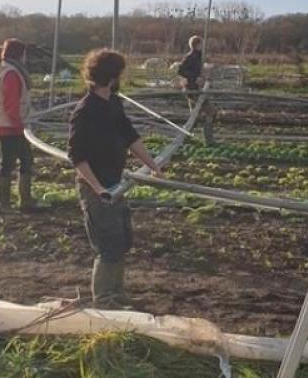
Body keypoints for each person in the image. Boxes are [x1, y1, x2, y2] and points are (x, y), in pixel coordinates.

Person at [67, 49, 163, 309]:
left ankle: (117, 295)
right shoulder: (85, 112)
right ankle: (104, 301)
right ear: (111, 77)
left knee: (121, 240)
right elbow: (77, 157)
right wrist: (98, 188)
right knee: (107, 245)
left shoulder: (113, 103)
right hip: (97, 188)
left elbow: (129, 136)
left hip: (115, 183)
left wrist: (153, 165)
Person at [0, 38, 39, 217]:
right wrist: (20, 124)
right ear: (19, 54)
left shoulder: (7, 70)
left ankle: (24, 200)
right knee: (10, 163)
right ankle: (6, 205)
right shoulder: (11, 73)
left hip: (10, 125)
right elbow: (11, 104)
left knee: (25, 160)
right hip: (10, 126)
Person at [177, 35, 217, 145]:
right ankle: (209, 140)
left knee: (194, 117)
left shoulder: (199, 57)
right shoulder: (190, 57)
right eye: (202, 44)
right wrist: (194, 78)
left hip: (195, 89)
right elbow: (180, 71)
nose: (204, 46)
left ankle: (184, 140)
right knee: (211, 111)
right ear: (197, 45)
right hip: (192, 89)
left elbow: (200, 69)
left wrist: (206, 70)